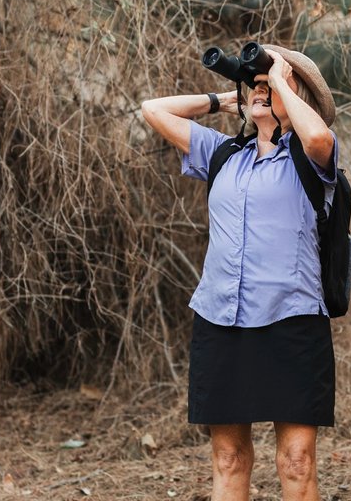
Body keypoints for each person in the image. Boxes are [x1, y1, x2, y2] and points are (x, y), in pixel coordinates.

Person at [140, 45, 339, 501]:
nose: (260, 92)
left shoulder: (308, 158)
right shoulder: (225, 152)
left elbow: (319, 139)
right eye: (256, 86)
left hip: (292, 321)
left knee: (296, 461)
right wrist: (222, 100)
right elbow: (153, 110)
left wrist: (284, 86)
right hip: (221, 321)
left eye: (272, 88)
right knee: (228, 459)